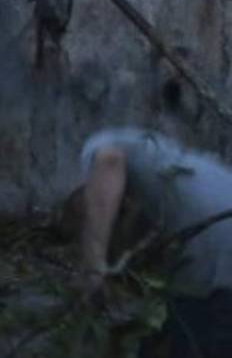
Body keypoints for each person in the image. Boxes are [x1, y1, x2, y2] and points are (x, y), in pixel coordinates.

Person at [79, 126, 232, 357]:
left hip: (213, 261)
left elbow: (108, 159)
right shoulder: (172, 172)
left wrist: (92, 267)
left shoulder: (105, 144)